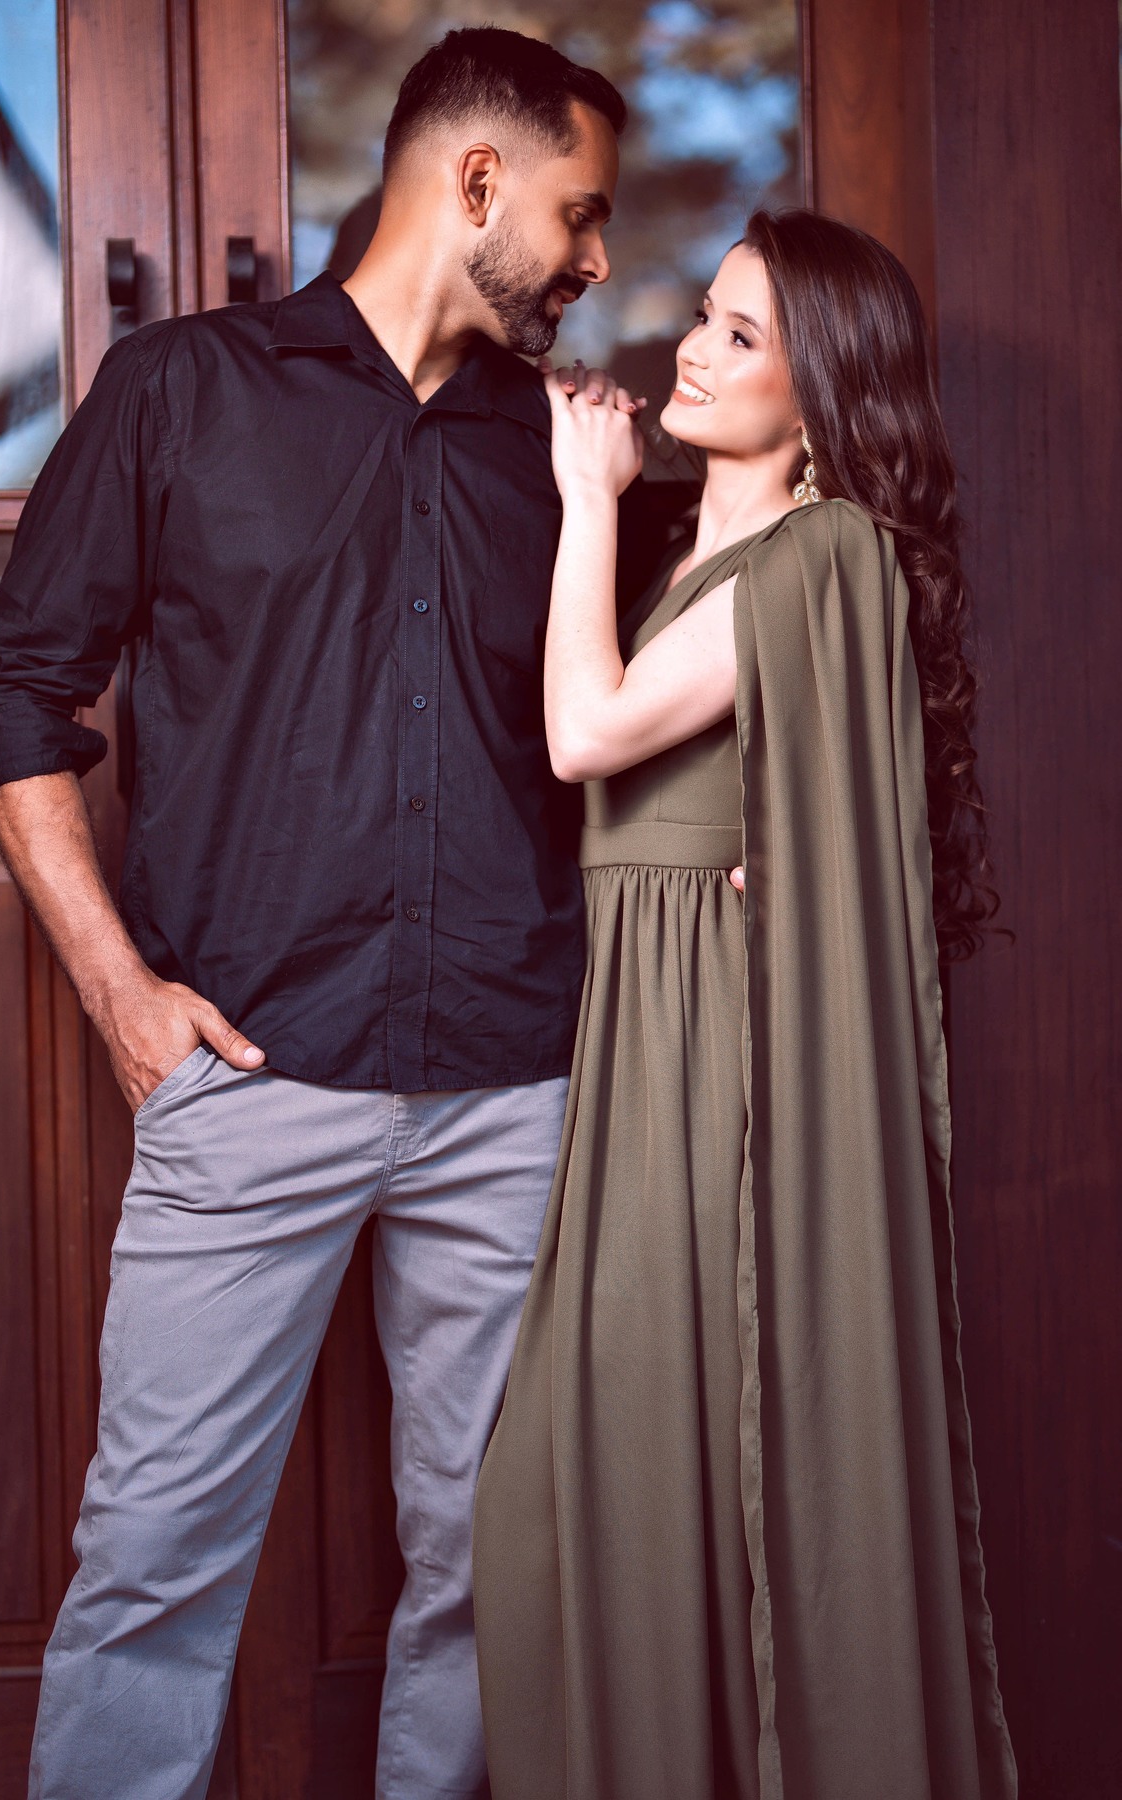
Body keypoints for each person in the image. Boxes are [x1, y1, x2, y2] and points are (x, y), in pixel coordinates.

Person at [0, 27, 636, 1800]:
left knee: (493, 1570)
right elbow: (11, 695)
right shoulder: (179, 390)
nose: (598, 257)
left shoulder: (567, 456)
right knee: (154, 1567)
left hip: (513, 1089)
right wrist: (120, 993)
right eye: (580, 212)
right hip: (244, 1081)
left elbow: (626, 734)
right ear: (476, 181)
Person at [473, 209, 1019, 1800]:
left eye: (739, 336)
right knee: (606, 1469)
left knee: (679, 1436)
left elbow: (586, 735)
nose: (691, 352)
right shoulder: (707, 558)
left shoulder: (821, 550)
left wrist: (587, 497)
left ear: (825, 387)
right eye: (704, 317)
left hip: (722, 1043)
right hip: (641, 1018)